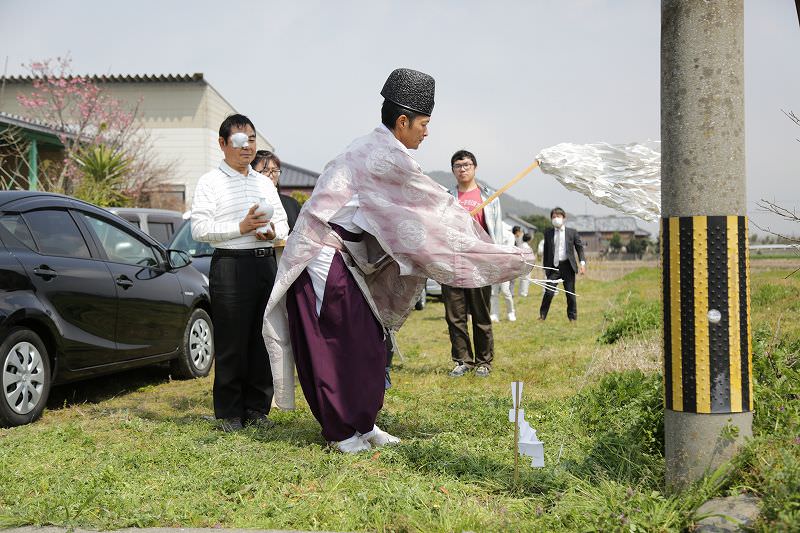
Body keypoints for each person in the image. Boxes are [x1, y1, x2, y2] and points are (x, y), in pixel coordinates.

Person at [263, 68, 534, 452]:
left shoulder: (381, 149)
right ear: (402, 121)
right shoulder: (384, 156)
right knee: (337, 344)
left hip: (348, 256)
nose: (427, 132)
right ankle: (341, 432)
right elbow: (435, 208)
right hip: (321, 255)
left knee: (372, 342)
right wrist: (500, 254)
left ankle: (365, 422)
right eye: (424, 123)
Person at [191, 114, 289, 432]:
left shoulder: (263, 182)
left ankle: (257, 409)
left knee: (263, 337)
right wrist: (241, 227)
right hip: (230, 265)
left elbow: (284, 226)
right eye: (238, 140)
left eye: (251, 139)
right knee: (232, 339)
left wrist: (269, 233)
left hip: (264, 263)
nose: (246, 146)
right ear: (222, 144)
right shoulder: (210, 182)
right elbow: (199, 228)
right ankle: (230, 413)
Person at [442, 149, 506, 378]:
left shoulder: (489, 198)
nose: (463, 169)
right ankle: (462, 360)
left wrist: (496, 257)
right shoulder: (447, 198)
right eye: (458, 166)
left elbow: (496, 231)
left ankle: (484, 361)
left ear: (475, 167)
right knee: (455, 315)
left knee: (481, 314)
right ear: (453, 170)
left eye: (467, 165)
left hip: (480, 263)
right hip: (453, 263)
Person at [252, 150, 302, 264]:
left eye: (275, 170)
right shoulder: (247, 202)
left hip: (286, 266)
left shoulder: (292, 204)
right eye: (265, 170)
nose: (271, 174)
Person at [539, 207, 586, 322]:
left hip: (568, 267)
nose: (556, 219)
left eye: (558, 216)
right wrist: (546, 269)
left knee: (570, 294)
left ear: (564, 218)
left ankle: (572, 318)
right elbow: (546, 251)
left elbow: (579, 248)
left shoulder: (572, 232)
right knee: (548, 292)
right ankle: (542, 316)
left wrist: (582, 263)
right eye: (553, 217)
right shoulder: (548, 233)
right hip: (553, 267)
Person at [490, 221, 517, 323]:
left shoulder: (509, 235)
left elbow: (509, 251)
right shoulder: (491, 233)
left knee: (506, 291)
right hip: (493, 267)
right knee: (493, 293)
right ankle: (494, 314)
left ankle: (511, 312)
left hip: (505, 267)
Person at [517, 233, 534, 297]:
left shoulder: (520, 245)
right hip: (526, 264)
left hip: (520, 264)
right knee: (526, 279)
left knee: (522, 279)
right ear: (529, 239)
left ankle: (521, 292)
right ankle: (524, 293)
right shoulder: (527, 247)